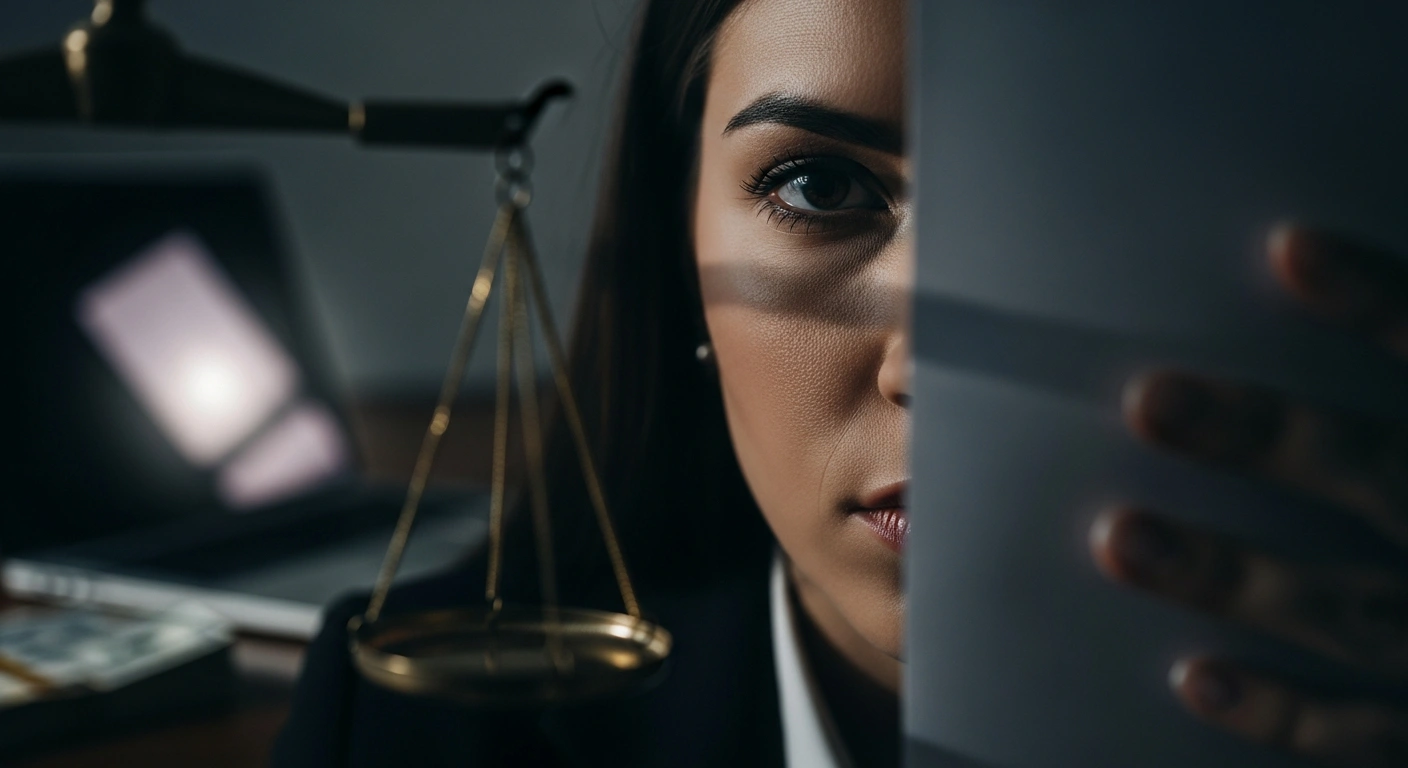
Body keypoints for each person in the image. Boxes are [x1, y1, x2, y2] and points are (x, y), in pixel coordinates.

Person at [273, 0, 1408, 765]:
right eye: (819, 187)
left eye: (1087, 214)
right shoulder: (410, 724)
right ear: (679, 250)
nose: (926, 372)